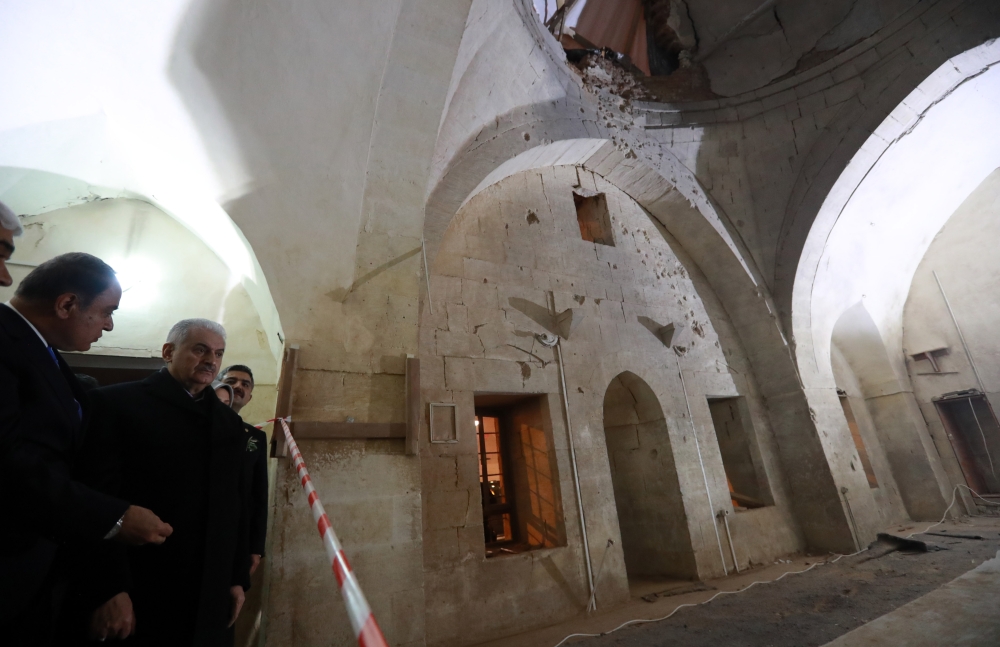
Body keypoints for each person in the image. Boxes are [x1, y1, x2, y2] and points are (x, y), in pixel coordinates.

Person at [0, 243, 173, 646]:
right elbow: (7, 459)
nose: (109, 326)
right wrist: (114, 517)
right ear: (67, 305)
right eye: (108, 311)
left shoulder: (44, 353)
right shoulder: (6, 343)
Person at [80, 319, 251, 646]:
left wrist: (236, 578)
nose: (211, 361)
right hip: (141, 582)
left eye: (218, 353)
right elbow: (93, 500)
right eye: (200, 349)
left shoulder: (229, 423)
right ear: (168, 352)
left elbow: (236, 504)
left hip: (210, 589)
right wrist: (109, 588)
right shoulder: (115, 404)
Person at [221, 365, 268, 576]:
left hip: (236, 532)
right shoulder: (198, 426)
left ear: (249, 397)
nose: (238, 386)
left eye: (245, 384)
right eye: (231, 382)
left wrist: (256, 547)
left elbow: (259, 494)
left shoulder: (256, 437)